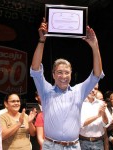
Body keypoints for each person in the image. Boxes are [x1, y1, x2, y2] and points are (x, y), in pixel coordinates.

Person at [30, 18, 104, 150]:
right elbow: (35, 69)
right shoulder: (46, 91)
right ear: (53, 75)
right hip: (51, 146)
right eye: (59, 72)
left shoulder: (79, 91)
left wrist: (94, 45)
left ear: (71, 75)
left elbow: (97, 74)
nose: (63, 76)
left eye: (66, 73)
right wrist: (42, 41)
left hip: (74, 146)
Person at [79, 84, 112, 150]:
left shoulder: (102, 103)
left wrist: (103, 114)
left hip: (98, 142)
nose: (93, 90)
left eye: (95, 88)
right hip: (82, 142)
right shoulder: (80, 103)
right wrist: (97, 116)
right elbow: (81, 123)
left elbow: (106, 124)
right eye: (91, 88)